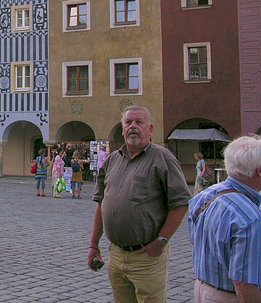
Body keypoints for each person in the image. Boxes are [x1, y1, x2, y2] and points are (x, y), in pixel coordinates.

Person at [88, 106, 191, 303]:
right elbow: (102, 204)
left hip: (147, 258)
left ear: (150, 129)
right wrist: (94, 245)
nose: (133, 126)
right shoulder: (112, 161)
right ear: (122, 128)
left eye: (139, 122)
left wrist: (161, 242)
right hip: (116, 255)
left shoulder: (163, 158)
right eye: (128, 122)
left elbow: (181, 203)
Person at [188, 135, 261, 302]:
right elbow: (244, 282)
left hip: (202, 287)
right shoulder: (249, 218)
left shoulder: (205, 195)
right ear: (259, 171)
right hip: (228, 295)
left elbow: (196, 240)